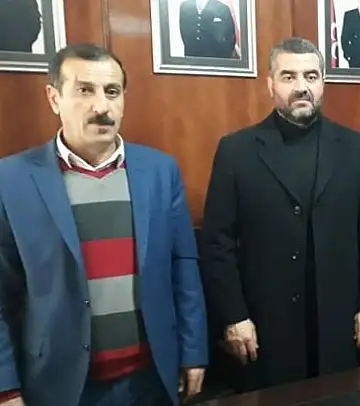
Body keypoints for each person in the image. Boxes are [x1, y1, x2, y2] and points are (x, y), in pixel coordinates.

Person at [0, 44, 207, 406]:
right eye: (84, 90)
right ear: (54, 98)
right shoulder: (11, 179)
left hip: (150, 380)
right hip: (60, 386)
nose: (101, 107)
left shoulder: (159, 172)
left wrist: (193, 352)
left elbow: (183, 268)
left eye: (112, 92)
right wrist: (7, 388)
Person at [200, 37, 360, 391]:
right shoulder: (236, 151)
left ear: (323, 83)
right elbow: (217, 244)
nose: (302, 86)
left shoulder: (357, 148)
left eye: (311, 76)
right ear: (270, 84)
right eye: (289, 77)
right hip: (266, 327)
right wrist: (234, 317)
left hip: (340, 324)